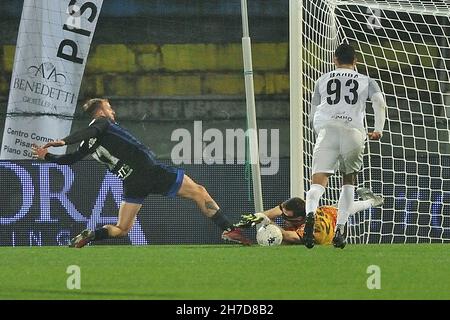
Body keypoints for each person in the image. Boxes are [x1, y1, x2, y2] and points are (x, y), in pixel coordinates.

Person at [32, 98, 251, 247]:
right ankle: (229, 229)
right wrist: (63, 140)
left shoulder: (89, 143)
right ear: (100, 111)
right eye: (109, 108)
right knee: (199, 192)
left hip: (131, 182)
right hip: (148, 170)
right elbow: (92, 129)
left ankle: (92, 235)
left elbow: (69, 159)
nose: (112, 111)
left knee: (122, 228)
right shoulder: (101, 123)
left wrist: (47, 157)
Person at [303, 43, 387, 249]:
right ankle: (340, 230)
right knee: (348, 181)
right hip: (353, 133)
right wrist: (378, 129)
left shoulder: (322, 80)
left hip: (327, 132)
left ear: (335, 60)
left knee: (317, 184)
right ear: (355, 61)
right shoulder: (366, 80)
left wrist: (320, 131)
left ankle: (310, 215)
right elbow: (379, 103)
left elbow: (313, 112)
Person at [235, 189, 383, 246]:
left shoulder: (312, 229)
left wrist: (267, 221)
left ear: (300, 219)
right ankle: (372, 201)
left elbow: (285, 235)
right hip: (330, 212)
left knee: (286, 242)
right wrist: (257, 216)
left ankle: (372, 201)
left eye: (286, 216)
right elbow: (277, 210)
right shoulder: (303, 207)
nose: (283, 216)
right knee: (344, 208)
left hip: (327, 230)